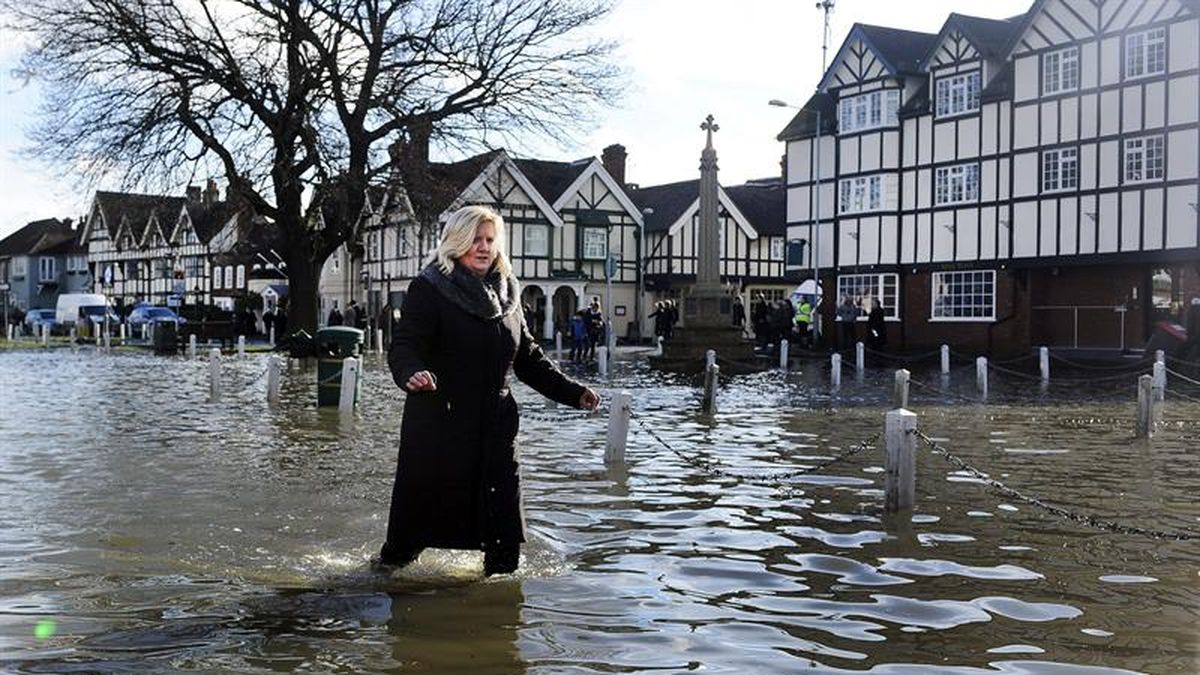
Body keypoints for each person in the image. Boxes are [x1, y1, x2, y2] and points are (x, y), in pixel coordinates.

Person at [381, 204, 599, 577]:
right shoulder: (429, 288)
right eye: (475, 240)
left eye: (489, 240)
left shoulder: (508, 297)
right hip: (440, 426)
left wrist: (573, 392)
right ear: (455, 242)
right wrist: (411, 373)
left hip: (496, 427)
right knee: (409, 539)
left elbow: (528, 358)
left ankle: (498, 614)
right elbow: (405, 345)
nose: (483, 247)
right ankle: (381, 583)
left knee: (504, 539)